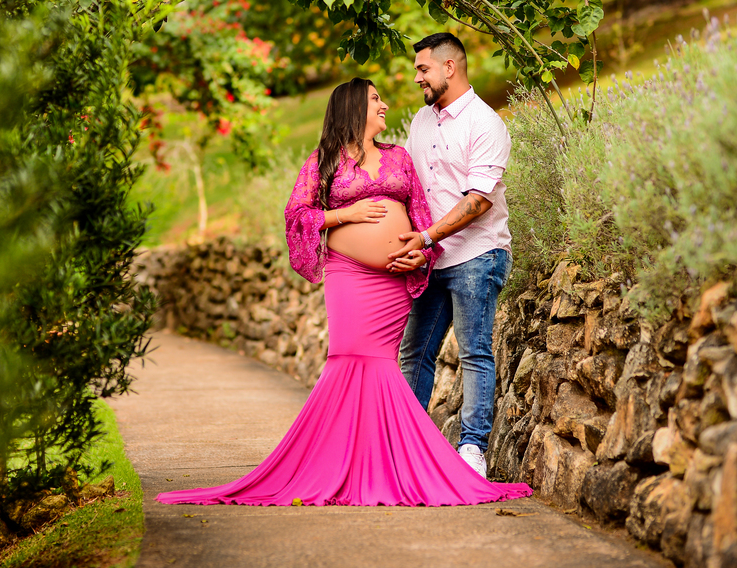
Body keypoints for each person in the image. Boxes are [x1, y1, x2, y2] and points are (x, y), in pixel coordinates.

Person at [156, 78, 530, 507]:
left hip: (392, 283)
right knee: (350, 360)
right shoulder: (324, 162)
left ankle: (385, 462)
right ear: (354, 108)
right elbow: (298, 215)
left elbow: (420, 215)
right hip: (350, 277)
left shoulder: (399, 157)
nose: (385, 105)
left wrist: (420, 255)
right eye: (376, 100)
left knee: (384, 365)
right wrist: (345, 213)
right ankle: (344, 464)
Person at [387, 33, 512, 479]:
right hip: (431, 258)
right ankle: (406, 445)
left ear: (449, 68)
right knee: (414, 354)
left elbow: (478, 201)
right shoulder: (422, 120)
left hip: (477, 254)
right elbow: (411, 189)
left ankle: (472, 451)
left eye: (423, 68)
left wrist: (425, 237)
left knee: (475, 353)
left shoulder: (486, 124)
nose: (417, 76)